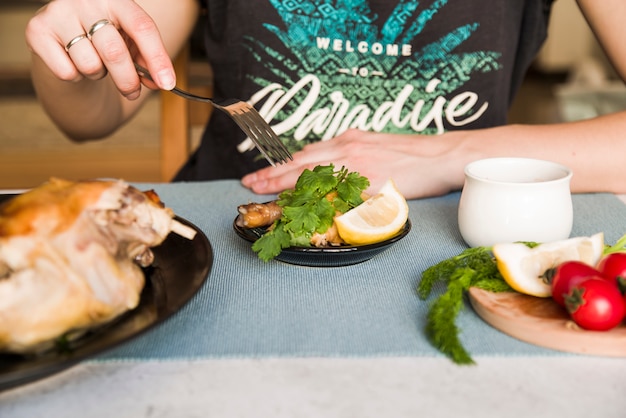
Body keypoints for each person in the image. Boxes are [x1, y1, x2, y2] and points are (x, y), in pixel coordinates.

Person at [25, 0, 626, 199]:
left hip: (450, 240)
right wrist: (70, 58)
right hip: (229, 231)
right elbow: (88, 119)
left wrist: (452, 153)